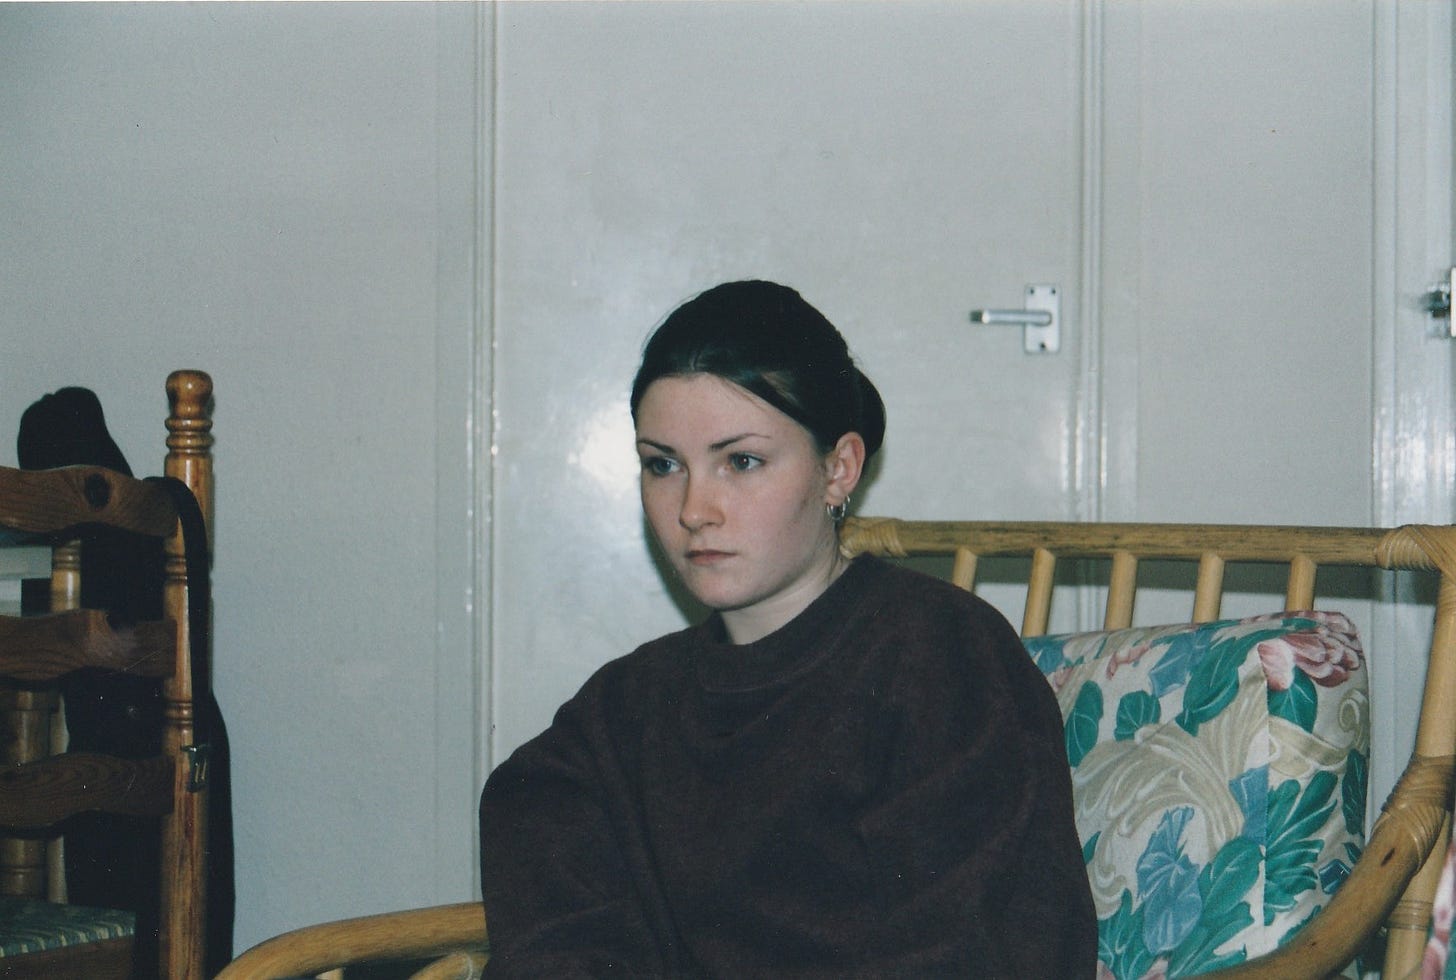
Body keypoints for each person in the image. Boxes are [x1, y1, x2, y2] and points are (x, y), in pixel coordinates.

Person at [478, 280, 1097, 977]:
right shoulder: (618, 714)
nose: (693, 509)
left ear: (839, 469)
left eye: (741, 462)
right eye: (663, 465)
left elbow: (991, 946)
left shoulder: (939, 654)